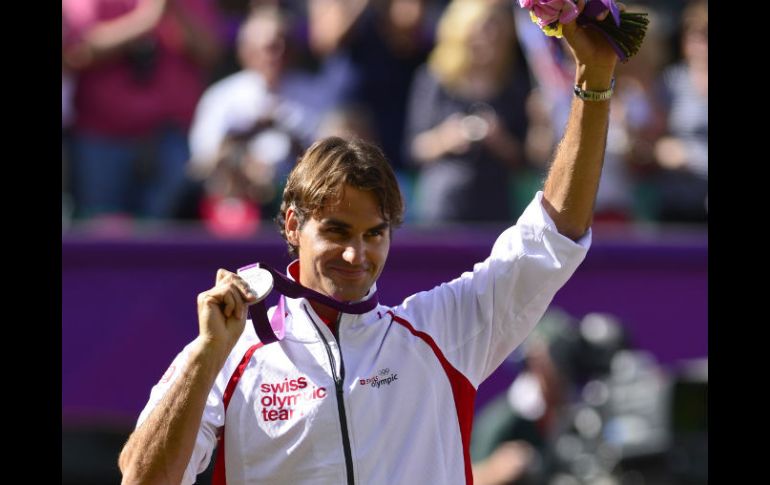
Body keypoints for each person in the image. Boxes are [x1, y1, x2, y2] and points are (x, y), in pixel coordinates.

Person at [118, 0, 621, 481]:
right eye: (336, 231)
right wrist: (206, 355)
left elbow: (552, 236)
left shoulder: (439, 331)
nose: (356, 254)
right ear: (292, 226)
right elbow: (143, 479)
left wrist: (593, 80)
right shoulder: (229, 352)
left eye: (374, 234)